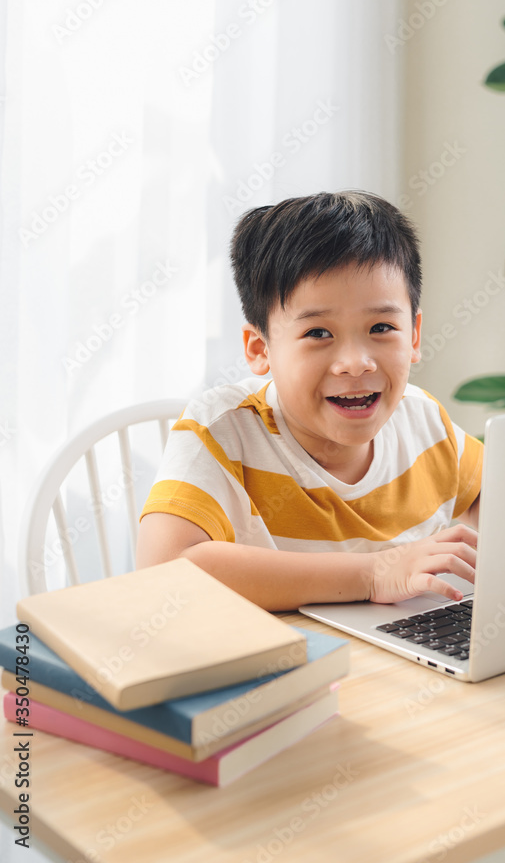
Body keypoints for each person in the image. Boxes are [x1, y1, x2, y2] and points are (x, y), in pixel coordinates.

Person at [136, 190, 482, 611]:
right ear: (260, 349)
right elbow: (164, 571)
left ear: (413, 335)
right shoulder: (222, 431)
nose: (355, 364)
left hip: (400, 664)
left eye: (381, 327)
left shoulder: (424, 421)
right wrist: (372, 574)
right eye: (318, 333)